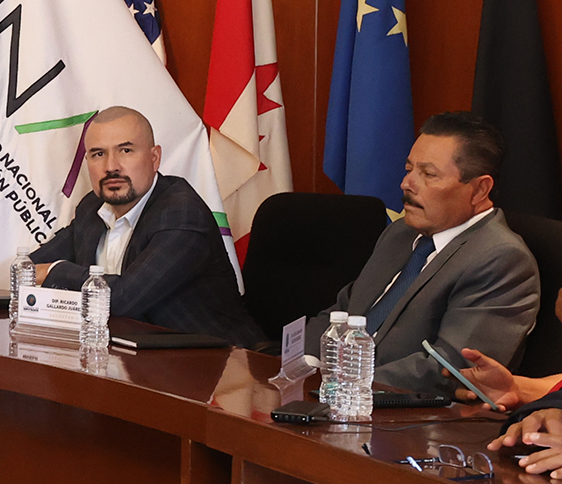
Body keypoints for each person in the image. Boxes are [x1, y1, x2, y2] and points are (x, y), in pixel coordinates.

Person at [317, 112, 539, 395]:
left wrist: (341, 386)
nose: (406, 184)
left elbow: (450, 368)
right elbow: (344, 309)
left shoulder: (501, 259)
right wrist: (304, 362)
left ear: (479, 190)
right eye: (409, 169)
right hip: (342, 393)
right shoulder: (400, 234)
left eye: (428, 174)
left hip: (406, 413)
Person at [30, 105, 262, 349]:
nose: (111, 166)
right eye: (98, 154)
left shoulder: (182, 214)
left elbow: (123, 300)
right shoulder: (92, 207)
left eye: (126, 150)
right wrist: (35, 272)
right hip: (130, 355)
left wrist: (54, 271)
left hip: (218, 360)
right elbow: (28, 267)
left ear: (154, 158)